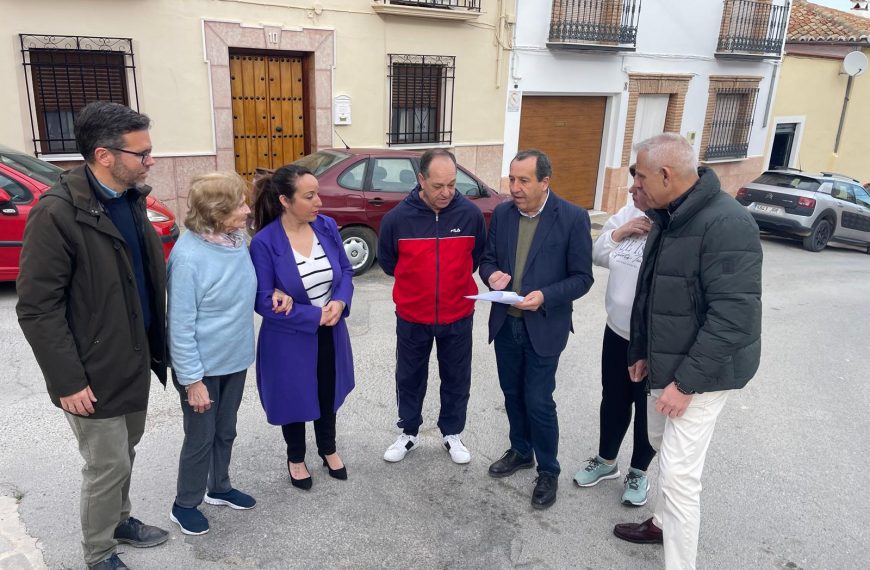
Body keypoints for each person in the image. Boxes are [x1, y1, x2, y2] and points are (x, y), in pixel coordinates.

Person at [16, 101, 169, 570]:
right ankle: (98, 552)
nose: (150, 161)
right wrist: (67, 381)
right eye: (141, 153)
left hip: (133, 356)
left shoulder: (130, 199)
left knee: (126, 451)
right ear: (105, 155)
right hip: (90, 370)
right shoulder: (57, 212)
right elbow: (37, 308)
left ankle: (119, 519)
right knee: (106, 465)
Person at [612, 134, 762, 570]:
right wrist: (641, 351)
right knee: (658, 438)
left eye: (639, 175)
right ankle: (661, 522)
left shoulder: (726, 223)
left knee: (679, 476)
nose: (634, 184)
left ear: (665, 174)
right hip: (665, 360)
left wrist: (684, 384)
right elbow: (651, 293)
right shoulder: (667, 215)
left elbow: (733, 318)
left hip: (703, 374)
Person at [479, 149, 594, 509]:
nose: (514, 187)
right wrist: (491, 275)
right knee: (512, 393)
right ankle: (520, 450)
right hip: (506, 323)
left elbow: (582, 278)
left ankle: (548, 470)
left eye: (523, 180)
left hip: (544, 326)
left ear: (545, 182)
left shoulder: (573, 218)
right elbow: (488, 259)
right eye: (511, 179)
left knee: (539, 401)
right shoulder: (502, 213)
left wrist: (544, 295)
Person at [377, 149, 486, 465]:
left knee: (457, 378)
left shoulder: (470, 215)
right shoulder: (397, 219)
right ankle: (408, 432)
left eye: (452, 184)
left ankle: (452, 433)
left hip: (458, 314)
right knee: (409, 377)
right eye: (438, 186)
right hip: (413, 316)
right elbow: (388, 262)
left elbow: (475, 257)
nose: (447, 193)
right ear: (420, 179)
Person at [249, 164, 354, 490]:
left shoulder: (327, 227)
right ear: (285, 200)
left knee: (327, 389)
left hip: (331, 329)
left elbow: (346, 271)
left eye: (317, 193)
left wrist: (339, 302)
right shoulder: (265, 243)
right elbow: (263, 300)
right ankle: (296, 457)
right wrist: (313, 316)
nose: (318, 201)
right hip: (288, 338)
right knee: (293, 397)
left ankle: (328, 449)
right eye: (309, 196)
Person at [166, 172, 257, 535]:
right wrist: (192, 381)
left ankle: (219, 487)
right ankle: (185, 503)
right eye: (240, 205)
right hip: (200, 369)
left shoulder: (237, 240)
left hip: (234, 359)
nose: (248, 210)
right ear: (217, 212)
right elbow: (180, 326)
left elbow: (244, 289)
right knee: (200, 437)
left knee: (226, 430)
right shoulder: (188, 258)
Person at [573, 165, 657, 506]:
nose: (631, 189)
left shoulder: (676, 223)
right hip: (617, 331)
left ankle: (639, 472)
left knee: (646, 407)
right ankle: (606, 462)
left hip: (654, 340)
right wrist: (621, 231)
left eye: (639, 183)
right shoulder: (627, 214)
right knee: (614, 400)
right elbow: (597, 254)